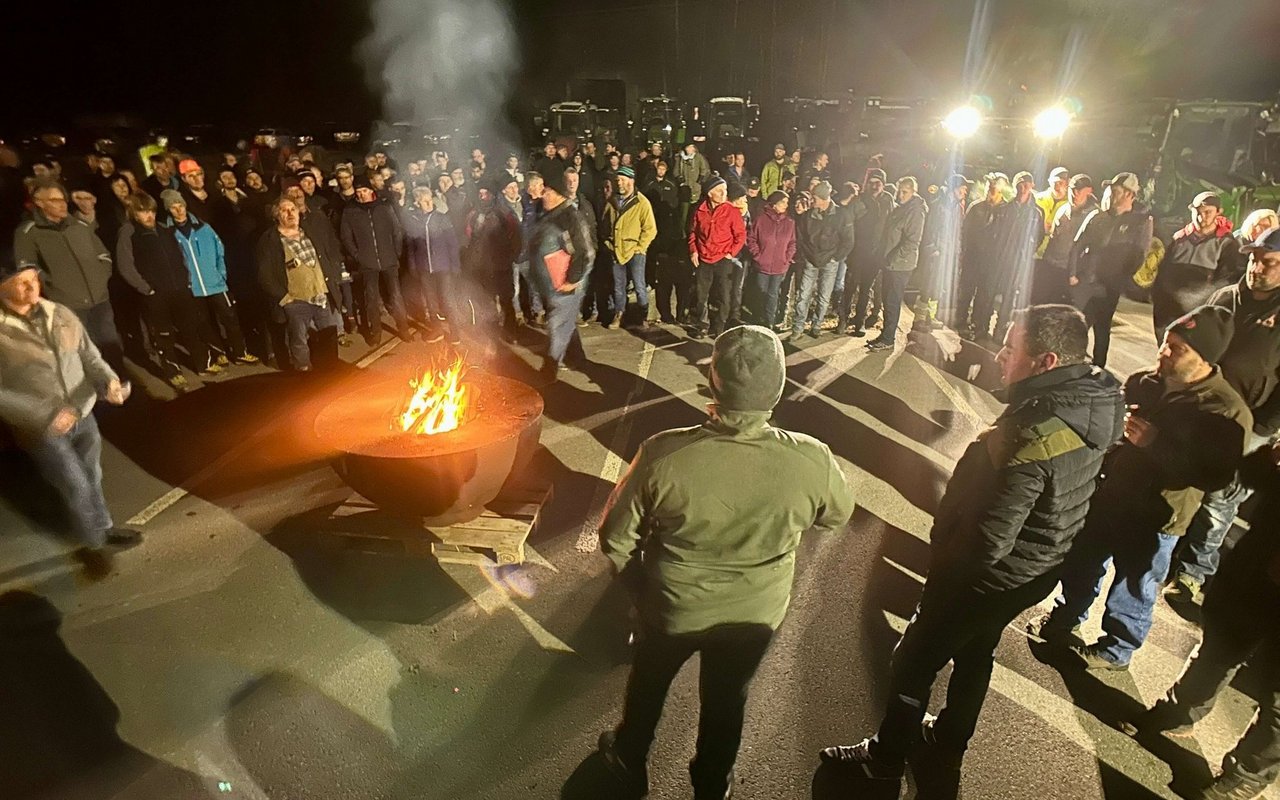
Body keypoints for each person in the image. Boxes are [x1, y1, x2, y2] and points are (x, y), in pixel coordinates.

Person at [820, 304, 1123, 785]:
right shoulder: (1093, 398)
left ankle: (885, 758)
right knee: (978, 650)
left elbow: (990, 539)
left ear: (1046, 362)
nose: (999, 355)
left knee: (911, 661)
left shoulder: (1030, 434)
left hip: (989, 576)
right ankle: (949, 739)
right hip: (1036, 565)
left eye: (1010, 347)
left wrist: (946, 572)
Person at [598, 324, 855, 800]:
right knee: (726, 698)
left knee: (649, 682)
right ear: (778, 388)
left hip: (673, 606)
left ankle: (629, 758)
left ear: (713, 382)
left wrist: (641, 589)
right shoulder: (812, 459)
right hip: (755, 613)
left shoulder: (663, 453)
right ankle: (712, 781)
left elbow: (615, 539)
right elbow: (837, 516)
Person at [1030, 305, 1251, 670]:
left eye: (1177, 348)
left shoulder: (1225, 410)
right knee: (1082, 561)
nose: (1163, 352)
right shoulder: (1144, 382)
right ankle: (1067, 614)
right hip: (1113, 494)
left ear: (1205, 358)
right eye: (1166, 343)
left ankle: (1117, 648)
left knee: (1136, 583)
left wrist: (1156, 444)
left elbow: (1215, 476)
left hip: (1160, 516)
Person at [1129, 440, 1280, 800]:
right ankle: (1180, 712)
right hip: (1258, 569)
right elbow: (1252, 478)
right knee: (1220, 649)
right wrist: (1269, 459)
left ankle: (1249, 774)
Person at [0, 258, 140, 578]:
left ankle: (103, 527)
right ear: (3, 288)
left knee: (92, 473)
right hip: (43, 427)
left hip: (83, 411)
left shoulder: (58, 313)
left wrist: (108, 383)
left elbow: (88, 354)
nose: (30, 286)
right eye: (20, 282)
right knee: (73, 483)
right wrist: (45, 416)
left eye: (33, 279)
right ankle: (92, 545)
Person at [1165, 226, 1280, 604]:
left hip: (1249, 422)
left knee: (1221, 499)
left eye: (1269, 262)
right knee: (1183, 478)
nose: (1257, 268)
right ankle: (1167, 549)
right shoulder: (1226, 297)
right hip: (1201, 408)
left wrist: (1264, 426)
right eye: (1253, 259)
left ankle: (1194, 571)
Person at [14, 180, 124, 373]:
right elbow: (27, 269)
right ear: (39, 202)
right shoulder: (29, 233)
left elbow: (103, 254)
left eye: (63, 199)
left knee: (111, 345)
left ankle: (122, 384)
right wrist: (53, 286)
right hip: (68, 305)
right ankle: (98, 395)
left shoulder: (79, 225)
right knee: (84, 352)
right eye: (55, 200)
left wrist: (102, 276)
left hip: (99, 299)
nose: (63, 204)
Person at [115, 193, 217, 389]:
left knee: (190, 328)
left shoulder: (164, 230)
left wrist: (186, 279)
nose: (149, 216)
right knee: (164, 335)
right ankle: (173, 372)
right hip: (155, 294)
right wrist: (146, 288)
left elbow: (181, 256)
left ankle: (202, 364)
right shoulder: (129, 233)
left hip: (179, 289)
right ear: (134, 213)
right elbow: (125, 265)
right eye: (144, 212)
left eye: (152, 211)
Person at [1067, 172, 1153, 368]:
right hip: (1086, 281)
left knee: (1102, 328)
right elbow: (1078, 244)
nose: (1112, 195)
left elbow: (1139, 255)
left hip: (1109, 287)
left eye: (1117, 191)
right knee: (1078, 324)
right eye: (1111, 191)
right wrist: (1073, 273)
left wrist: (1119, 280)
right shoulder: (1098, 216)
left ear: (1130, 195)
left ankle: (1098, 368)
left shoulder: (1139, 222)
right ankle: (1069, 362)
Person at [162, 191, 257, 366]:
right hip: (193, 287)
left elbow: (219, 250)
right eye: (173, 208)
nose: (179, 210)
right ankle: (219, 352)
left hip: (216, 282)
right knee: (204, 323)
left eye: (180, 205)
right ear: (169, 210)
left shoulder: (204, 228)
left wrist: (221, 273)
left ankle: (239, 352)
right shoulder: (168, 233)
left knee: (230, 319)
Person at [256, 195, 343, 372]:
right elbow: (264, 275)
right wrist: (284, 297)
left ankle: (331, 374)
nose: (290, 213)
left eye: (293, 209)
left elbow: (327, 255)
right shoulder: (270, 240)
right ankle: (305, 377)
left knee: (328, 338)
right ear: (276, 215)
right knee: (299, 343)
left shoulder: (309, 232)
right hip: (295, 301)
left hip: (321, 295)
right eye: (284, 210)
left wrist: (332, 279)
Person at [525, 167, 596, 378]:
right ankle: (577, 358)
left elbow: (586, 252)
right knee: (565, 323)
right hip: (551, 284)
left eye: (546, 192)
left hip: (567, 283)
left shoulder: (570, 216)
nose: (542, 195)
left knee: (557, 324)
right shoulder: (547, 214)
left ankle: (550, 369)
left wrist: (573, 280)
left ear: (556, 193)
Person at [1151, 192, 1236, 338]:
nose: (1201, 217)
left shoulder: (1227, 244)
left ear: (1219, 212)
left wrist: (1198, 299)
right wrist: (1158, 296)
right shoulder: (1179, 238)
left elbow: (1226, 281)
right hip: (1167, 309)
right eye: (1197, 212)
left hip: (1196, 313)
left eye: (1208, 212)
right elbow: (1163, 271)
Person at [339, 176, 409, 346]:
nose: (361, 195)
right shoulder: (350, 211)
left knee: (396, 295)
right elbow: (346, 237)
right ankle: (375, 332)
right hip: (367, 262)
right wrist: (357, 255)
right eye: (358, 192)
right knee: (370, 298)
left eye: (364, 191)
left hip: (389, 258)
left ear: (371, 191)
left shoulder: (384, 207)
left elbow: (397, 231)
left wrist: (396, 252)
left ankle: (404, 329)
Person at [868, 176, 927, 352]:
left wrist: (891, 258)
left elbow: (912, 241)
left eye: (904, 192)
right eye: (899, 191)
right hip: (889, 263)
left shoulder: (915, 212)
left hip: (900, 265)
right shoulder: (901, 208)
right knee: (887, 299)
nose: (900, 195)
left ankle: (888, 339)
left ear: (913, 192)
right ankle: (886, 334)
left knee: (892, 301)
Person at [792, 181, 854, 340]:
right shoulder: (808, 215)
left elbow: (848, 241)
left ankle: (816, 325)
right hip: (811, 259)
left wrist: (835, 258)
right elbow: (801, 237)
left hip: (830, 262)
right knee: (803, 295)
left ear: (824, 198)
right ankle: (798, 327)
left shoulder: (842, 215)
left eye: (815, 198)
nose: (812, 201)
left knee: (824, 297)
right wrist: (806, 255)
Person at [687, 176, 746, 340]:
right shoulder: (700, 211)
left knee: (724, 296)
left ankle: (720, 328)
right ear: (710, 193)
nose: (724, 194)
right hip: (704, 259)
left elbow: (740, 235)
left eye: (725, 191)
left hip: (723, 259)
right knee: (701, 296)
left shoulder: (731, 211)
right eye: (720, 191)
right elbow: (693, 233)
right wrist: (694, 251)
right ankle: (703, 325)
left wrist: (731, 253)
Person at [403, 185, 462, 344]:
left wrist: (455, 265)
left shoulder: (441, 218)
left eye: (430, 200)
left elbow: (452, 243)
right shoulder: (413, 221)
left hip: (443, 267)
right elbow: (410, 246)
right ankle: (437, 330)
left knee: (448, 299)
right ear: (416, 203)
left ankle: (455, 332)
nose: (429, 204)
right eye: (424, 201)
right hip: (424, 268)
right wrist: (412, 265)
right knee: (431, 301)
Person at [463, 179, 522, 337]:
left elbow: (516, 234)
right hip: (483, 265)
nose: (482, 196)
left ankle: (511, 331)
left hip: (502, 263)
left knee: (506, 299)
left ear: (493, 195)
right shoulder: (474, 214)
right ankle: (492, 331)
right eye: (480, 193)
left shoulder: (504, 212)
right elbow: (468, 238)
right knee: (487, 299)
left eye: (486, 193)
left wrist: (514, 255)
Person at [603, 166, 657, 329]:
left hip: (635, 250)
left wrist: (641, 247)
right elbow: (605, 224)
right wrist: (608, 243)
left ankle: (643, 315)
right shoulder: (612, 201)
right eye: (618, 180)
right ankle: (619, 314)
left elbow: (650, 228)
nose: (620, 183)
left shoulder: (642, 202)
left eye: (623, 180)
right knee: (618, 286)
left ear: (631, 181)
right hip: (617, 250)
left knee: (639, 286)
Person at [914, 175, 970, 331]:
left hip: (948, 253)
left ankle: (930, 317)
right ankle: (918, 319)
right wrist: (933, 248)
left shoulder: (957, 207)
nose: (965, 192)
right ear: (955, 188)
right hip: (937, 252)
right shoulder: (939, 205)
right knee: (928, 286)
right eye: (963, 188)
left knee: (938, 287)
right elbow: (931, 228)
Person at [841, 168, 892, 336]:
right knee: (851, 286)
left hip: (876, 254)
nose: (874, 186)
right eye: (871, 183)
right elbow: (848, 221)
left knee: (866, 289)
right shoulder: (859, 200)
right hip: (857, 252)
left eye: (878, 183)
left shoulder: (888, 200)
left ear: (883, 185)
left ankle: (859, 322)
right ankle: (843, 319)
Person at [1033, 174, 1096, 305]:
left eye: (1079, 190)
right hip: (1051, 266)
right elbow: (1053, 238)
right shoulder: (1063, 210)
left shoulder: (1094, 216)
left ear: (1089, 191)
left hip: (1071, 274)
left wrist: (1078, 274)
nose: (1075, 193)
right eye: (1072, 189)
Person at [643, 159, 684, 324]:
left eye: (663, 168)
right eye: (658, 168)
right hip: (652, 228)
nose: (660, 170)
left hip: (666, 234)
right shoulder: (650, 184)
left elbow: (675, 206)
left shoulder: (670, 186)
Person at [747, 191, 796, 328]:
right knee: (760, 293)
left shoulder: (790, 223)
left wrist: (787, 258)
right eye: (782, 202)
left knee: (773, 295)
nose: (785, 205)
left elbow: (792, 243)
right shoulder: (761, 220)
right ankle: (758, 319)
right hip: (762, 265)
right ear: (774, 204)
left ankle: (769, 322)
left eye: (787, 203)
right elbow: (751, 239)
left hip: (779, 266)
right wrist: (758, 255)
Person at [674, 143, 712, 225]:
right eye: (687, 147)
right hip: (684, 187)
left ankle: (691, 229)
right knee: (684, 211)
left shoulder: (699, 157)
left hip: (695, 188)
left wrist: (699, 180)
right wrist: (679, 179)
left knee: (694, 211)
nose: (688, 149)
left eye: (690, 147)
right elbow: (676, 170)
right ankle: (682, 231)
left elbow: (704, 169)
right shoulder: (680, 158)